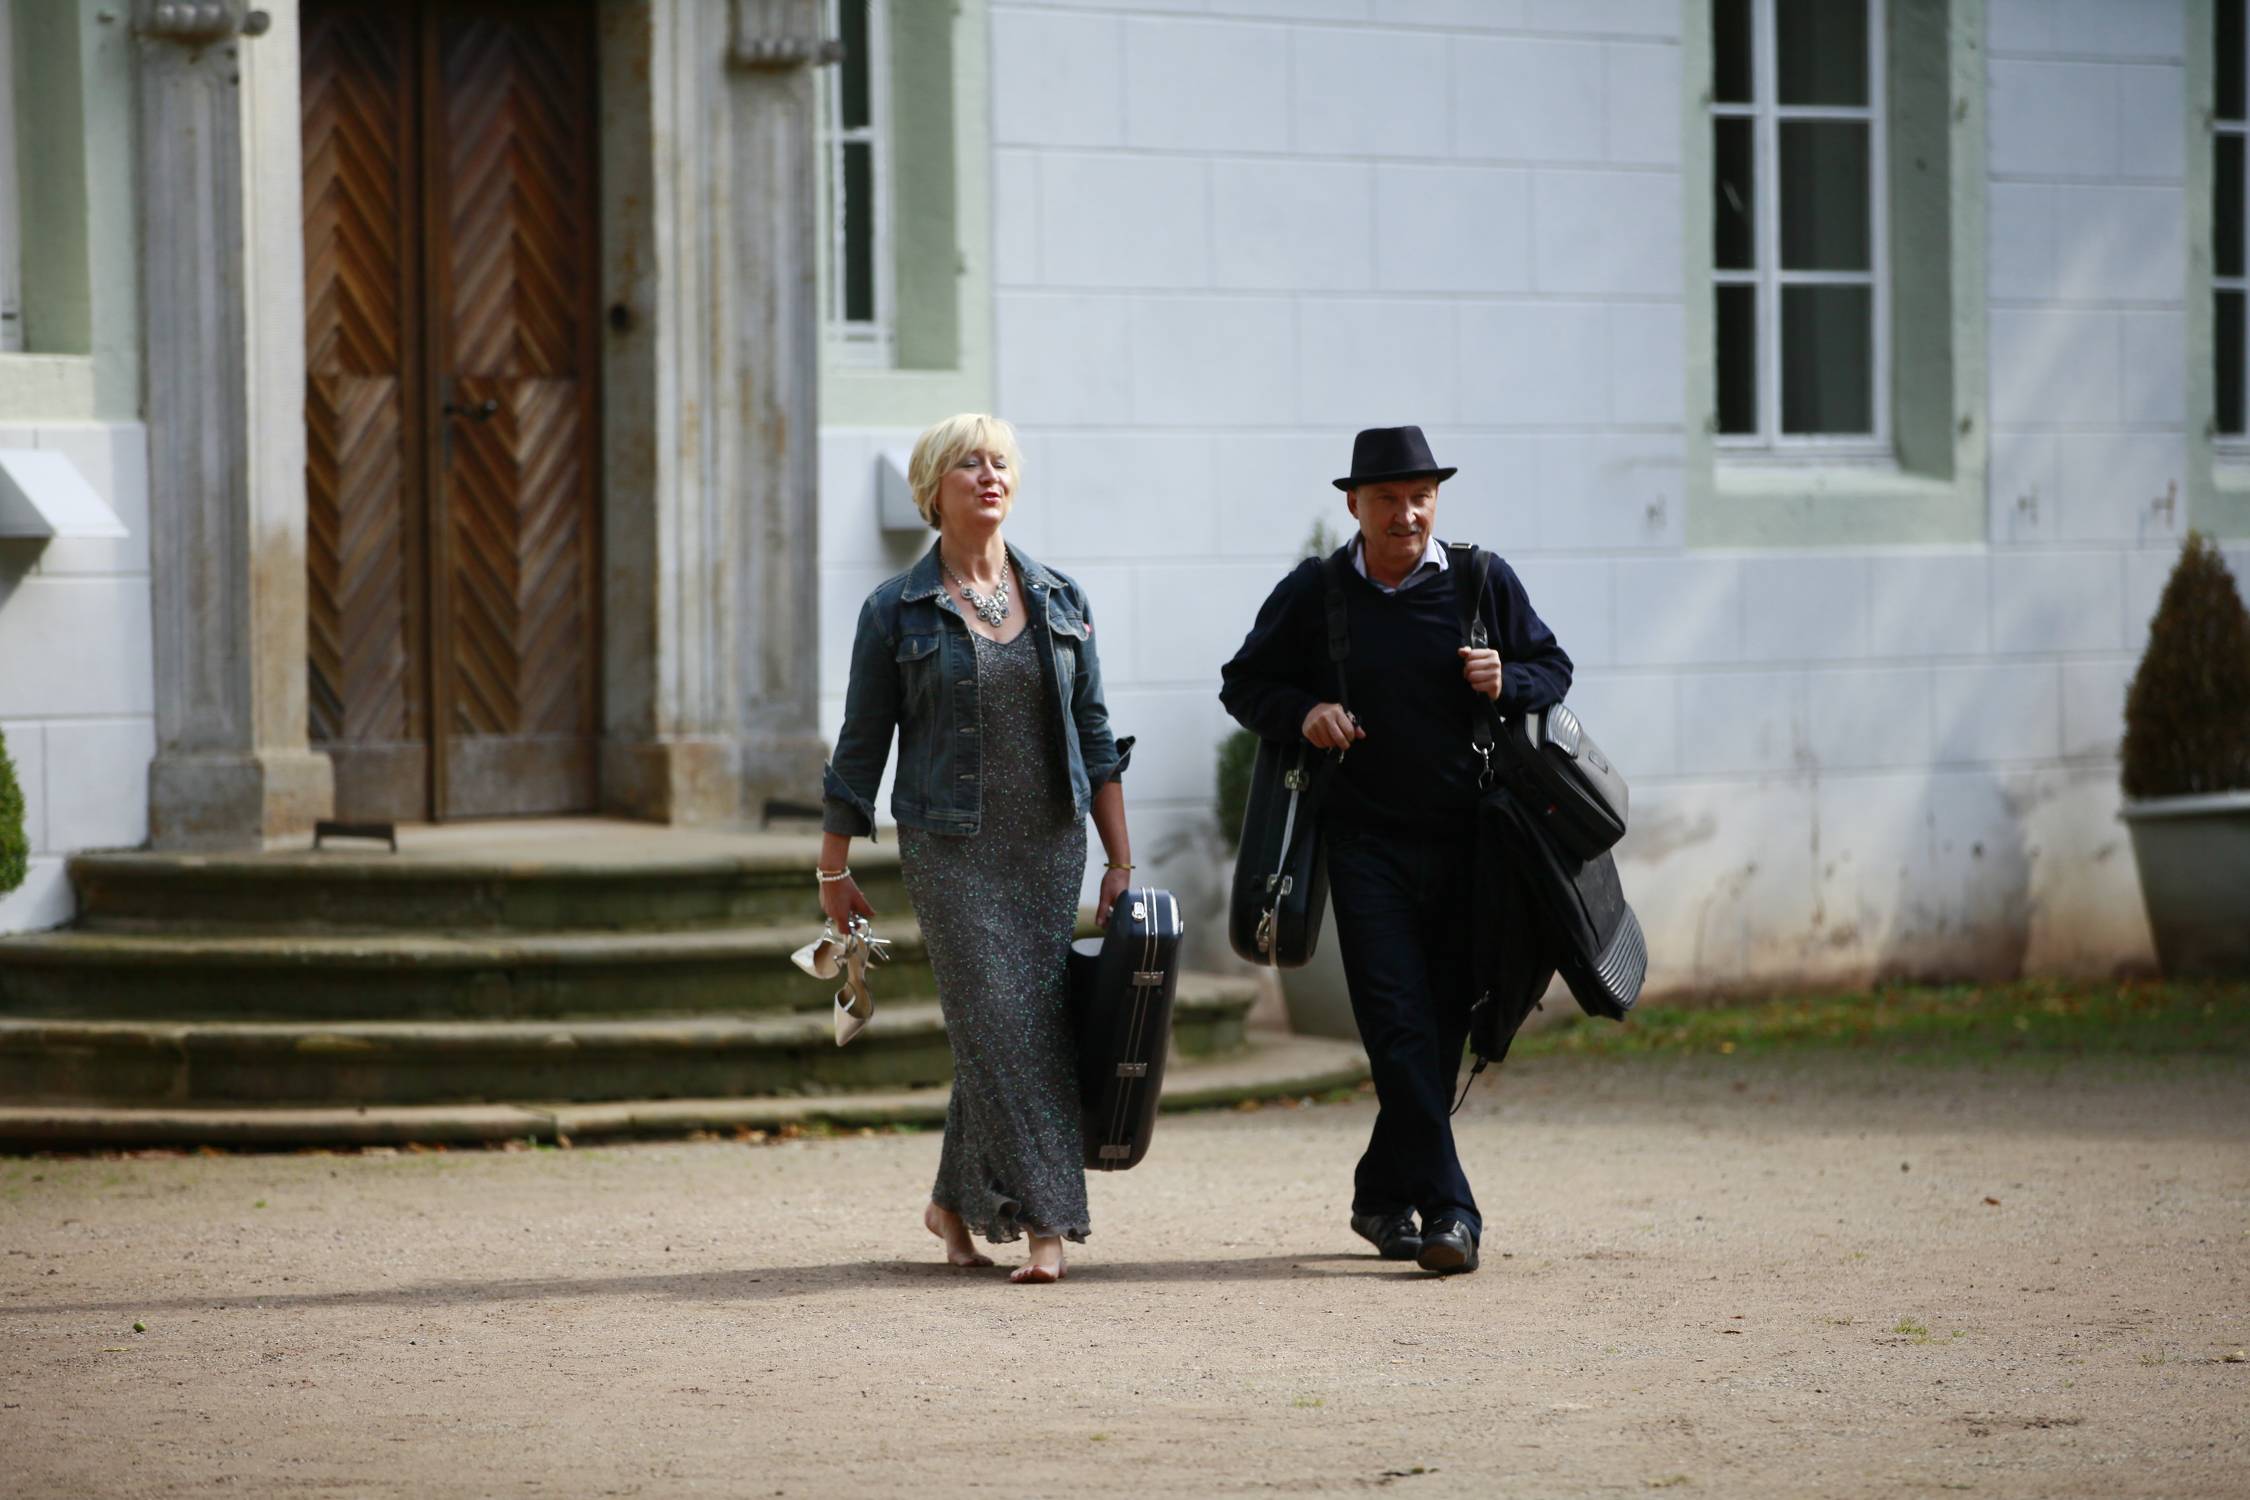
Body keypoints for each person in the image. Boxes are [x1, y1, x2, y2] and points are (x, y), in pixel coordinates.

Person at [1218, 425, 1572, 1276]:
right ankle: (1453, 1211)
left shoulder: (1482, 580)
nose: (1406, 514)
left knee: (1443, 1030)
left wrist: (1508, 679)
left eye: (1421, 498)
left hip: (1470, 844)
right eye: (1387, 499)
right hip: (1363, 845)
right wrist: (1304, 712)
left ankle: (1381, 1196)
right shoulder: (1316, 592)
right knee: (1396, 1026)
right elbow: (1244, 683)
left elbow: (1553, 668)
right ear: (1355, 505)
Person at [819, 413, 1134, 1285]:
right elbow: (860, 745)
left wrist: (1119, 860)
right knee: (1000, 1019)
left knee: (1019, 1022)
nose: (989, 475)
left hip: (1049, 842)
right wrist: (834, 865)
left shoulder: (1062, 598)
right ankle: (1047, 1223)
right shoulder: (895, 609)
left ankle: (951, 1206)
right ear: (933, 489)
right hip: (950, 847)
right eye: (968, 463)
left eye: (999, 462)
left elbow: (1096, 734)